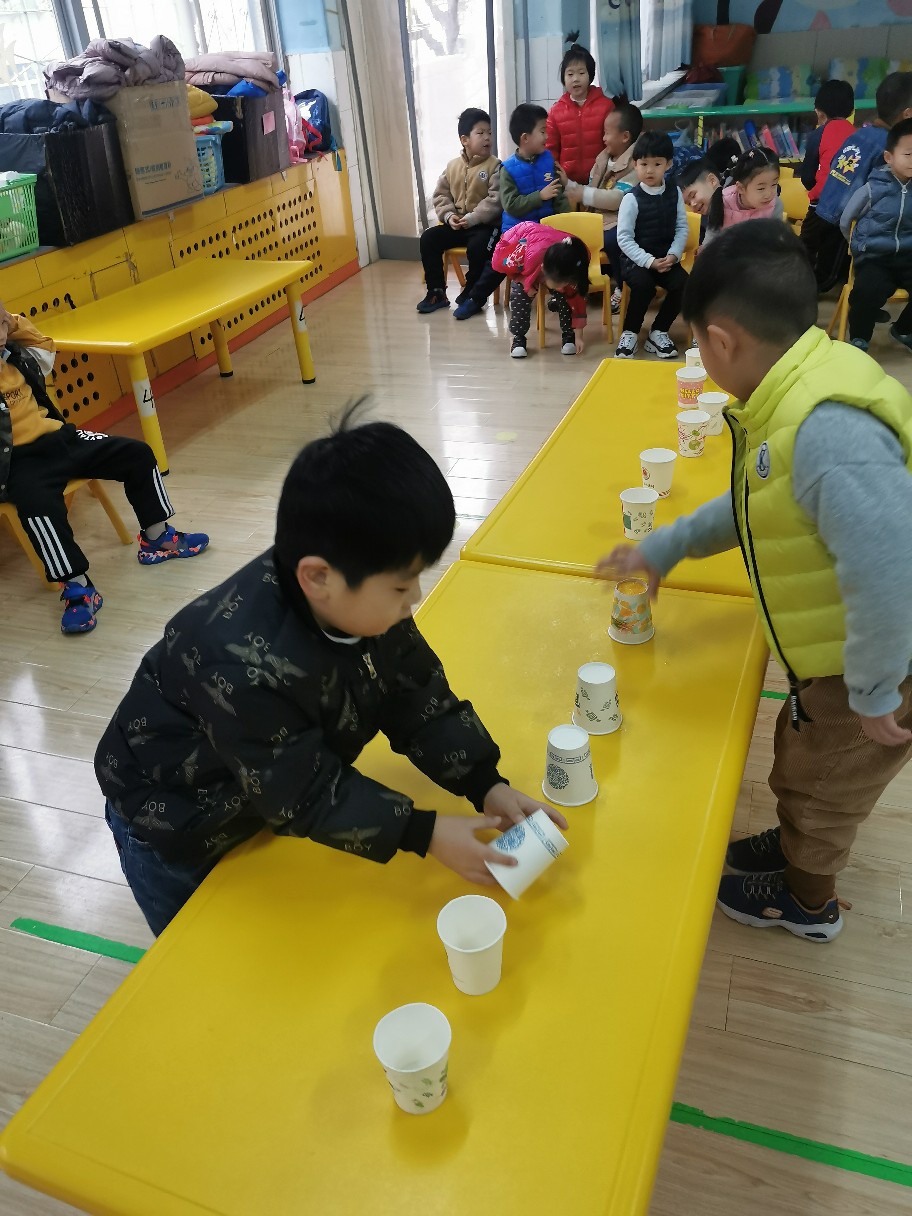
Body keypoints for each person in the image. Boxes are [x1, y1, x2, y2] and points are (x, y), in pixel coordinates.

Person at [96, 406, 568, 935]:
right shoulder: (236, 664)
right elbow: (306, 794)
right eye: (401, 584)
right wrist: (425, 833)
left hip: (261, 791)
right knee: (198, 946)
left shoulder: (357, 594)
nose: (414, 598)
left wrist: (486, 785)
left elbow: (416, 694)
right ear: (318, 578)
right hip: (175, 821)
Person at [597, 220, 912, 943]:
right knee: (805, 765)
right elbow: (757, 504)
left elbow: (889, 574)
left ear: (722, 341)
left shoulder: (828, 431)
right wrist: (667, 547)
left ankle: (808, 901)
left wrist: (874, 690)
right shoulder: (799, 388)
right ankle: (796, 835)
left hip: (880, 662)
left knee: (827, 789)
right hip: (842, 651)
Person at [0, 304, 208, 635]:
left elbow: (44, 351)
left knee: (137, 454)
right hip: (17, 462)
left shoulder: (15, 355)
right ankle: (77, 588)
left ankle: (157, 538)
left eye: (2, 325)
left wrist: (13, 322)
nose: (1, 335)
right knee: (38, 510)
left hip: (59, 438)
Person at [813, 70, 912, 291]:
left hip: (826, 209)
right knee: (825, 281)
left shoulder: (860, 134)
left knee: (826, 274)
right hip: (845, 223)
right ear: (907, 115)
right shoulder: (891, 148)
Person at [416, 107, 502, 319]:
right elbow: (440, 195)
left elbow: (495, 200)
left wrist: (472, 218)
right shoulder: (452, 166)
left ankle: (472, 292)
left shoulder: (495, 166)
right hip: (458, 224)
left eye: (489, 132)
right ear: (465, 140)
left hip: (484, 226)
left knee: (479, 246)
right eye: (480, 133)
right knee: (428, 238)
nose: (487, 138)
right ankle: (436, 292)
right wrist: (449, 216)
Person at [614, 130, 689, 361]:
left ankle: (658, 331)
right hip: (636, 261)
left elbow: (682, 227)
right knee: (643, 286)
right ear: (635, 164)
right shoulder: (631, 198)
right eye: (644, 164)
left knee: (684, 284)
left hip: (666, 259)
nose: (649, 170)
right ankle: (630, 333)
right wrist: (649, 261)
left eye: (657, 164)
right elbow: (624, 238)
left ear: (668, 164)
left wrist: (674, 255)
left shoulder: (675, 192)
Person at [841, 118, 912, 354]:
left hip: (908, 255)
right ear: (889, 157)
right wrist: (857, 246)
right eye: (908, 154)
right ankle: (859, 339)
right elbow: (846, 219)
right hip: (875, 256)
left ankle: (903, 329)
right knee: (866, 291)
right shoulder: (873, 188)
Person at [565, 101, 643, 315]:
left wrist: (583, 194)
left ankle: (621, 286)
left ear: (625, 136)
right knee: (571, 241)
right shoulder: (603, 158)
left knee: (612, 240)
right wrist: (571, 187)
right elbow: (591, 184)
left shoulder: (636, 163)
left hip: (621, 219)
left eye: (607, 133)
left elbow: (618, 198)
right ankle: (576, 286)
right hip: (595, 218)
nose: (603, 138)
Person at [490, 220, 589, 359]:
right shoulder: (523, 255)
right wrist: (526, 282)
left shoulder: (575, 259)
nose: (560, 287)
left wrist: (579, 337)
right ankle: (518, 338)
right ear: (543, 270)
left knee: (566, 294)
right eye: (557, 284)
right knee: (520, 294)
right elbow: (501, 265)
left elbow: (578, 301)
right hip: (515, 247)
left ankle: (568, 333)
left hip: (547, 254)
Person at [798, 79, 856, 288]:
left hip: (820, 204)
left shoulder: (818, 134)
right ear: (851, 111)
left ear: (819, 113)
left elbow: (807, 175)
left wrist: (814, 189)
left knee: (806, 245)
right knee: (834, 247)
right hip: (847, 207)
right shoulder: (857, 135)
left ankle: (800, 283)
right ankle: (826, 281)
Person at [545, 33, 614, 185]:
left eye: (581, 73)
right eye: (570, 74)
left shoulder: (606, 106)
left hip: (600, 180)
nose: (575, 79)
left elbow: (613, 143)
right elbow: (550, 149)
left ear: (590, 75)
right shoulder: (556, 112)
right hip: (567, 182)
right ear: (564, 78)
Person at [500, 103, 570, 233]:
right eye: (542, 131)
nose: (547, 136)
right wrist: (539, 196)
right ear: (525, 138)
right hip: (517, 233)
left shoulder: (548, 160)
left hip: (546, 229)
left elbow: (559, 198)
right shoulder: (508, 169)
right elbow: (510, 205)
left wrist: (568, 225)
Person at [701, 146, 782, 245]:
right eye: (761, 188)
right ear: (741, 188)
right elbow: (710, 241)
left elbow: (775, 241)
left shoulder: (775, 205)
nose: (769, 194)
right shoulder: (721, 202)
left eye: (774, 185)